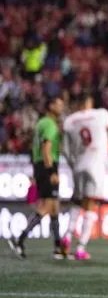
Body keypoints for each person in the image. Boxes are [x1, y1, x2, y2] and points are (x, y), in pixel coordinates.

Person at [60, 94, 108, 260]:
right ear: (90, 102)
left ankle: (67, 236)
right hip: (96, 165)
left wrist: (73, 165)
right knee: (90, 204)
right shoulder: (101, 114)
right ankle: (81, 247)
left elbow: (65, 149)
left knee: (77, 201)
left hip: (78, 165)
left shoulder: (70, 121)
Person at [7, 97, 66, 259]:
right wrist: (52, 171)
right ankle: (19, 240)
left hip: (39, 166)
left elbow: (36, 150)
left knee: (54, 207)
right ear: (50, 106)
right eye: (59, 105)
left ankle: (57, 248)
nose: (62, 108)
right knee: (47, 207)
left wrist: (37, 172)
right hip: (48, 166)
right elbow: (46, 149)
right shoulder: (50, 125)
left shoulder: (40, 123)